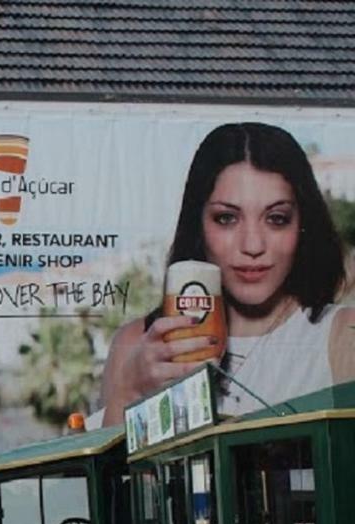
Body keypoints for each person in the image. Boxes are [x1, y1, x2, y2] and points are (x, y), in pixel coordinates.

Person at [99, 122, 355, 426]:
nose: (252, 245)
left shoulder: (342, 336)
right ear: (199, 225)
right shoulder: (137, 344)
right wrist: (129, 393)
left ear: (302, 225)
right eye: (227, 218)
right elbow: (109, 472)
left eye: (276, 219)